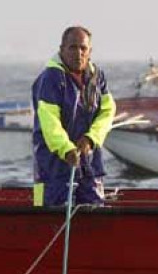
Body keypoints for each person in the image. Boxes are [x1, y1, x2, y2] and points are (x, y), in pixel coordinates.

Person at [31, 26, 116, 206]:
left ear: (90, 52)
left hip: (90, 165)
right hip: (53, 168)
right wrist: (66, 149)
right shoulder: (50, 78)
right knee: (52, 215)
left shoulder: (97, 77)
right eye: (72, 47)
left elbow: (107, 112)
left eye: (83, 48)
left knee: (94, 209)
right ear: (62, 49)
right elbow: (49, 120)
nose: (78, 53)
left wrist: (91, 138)